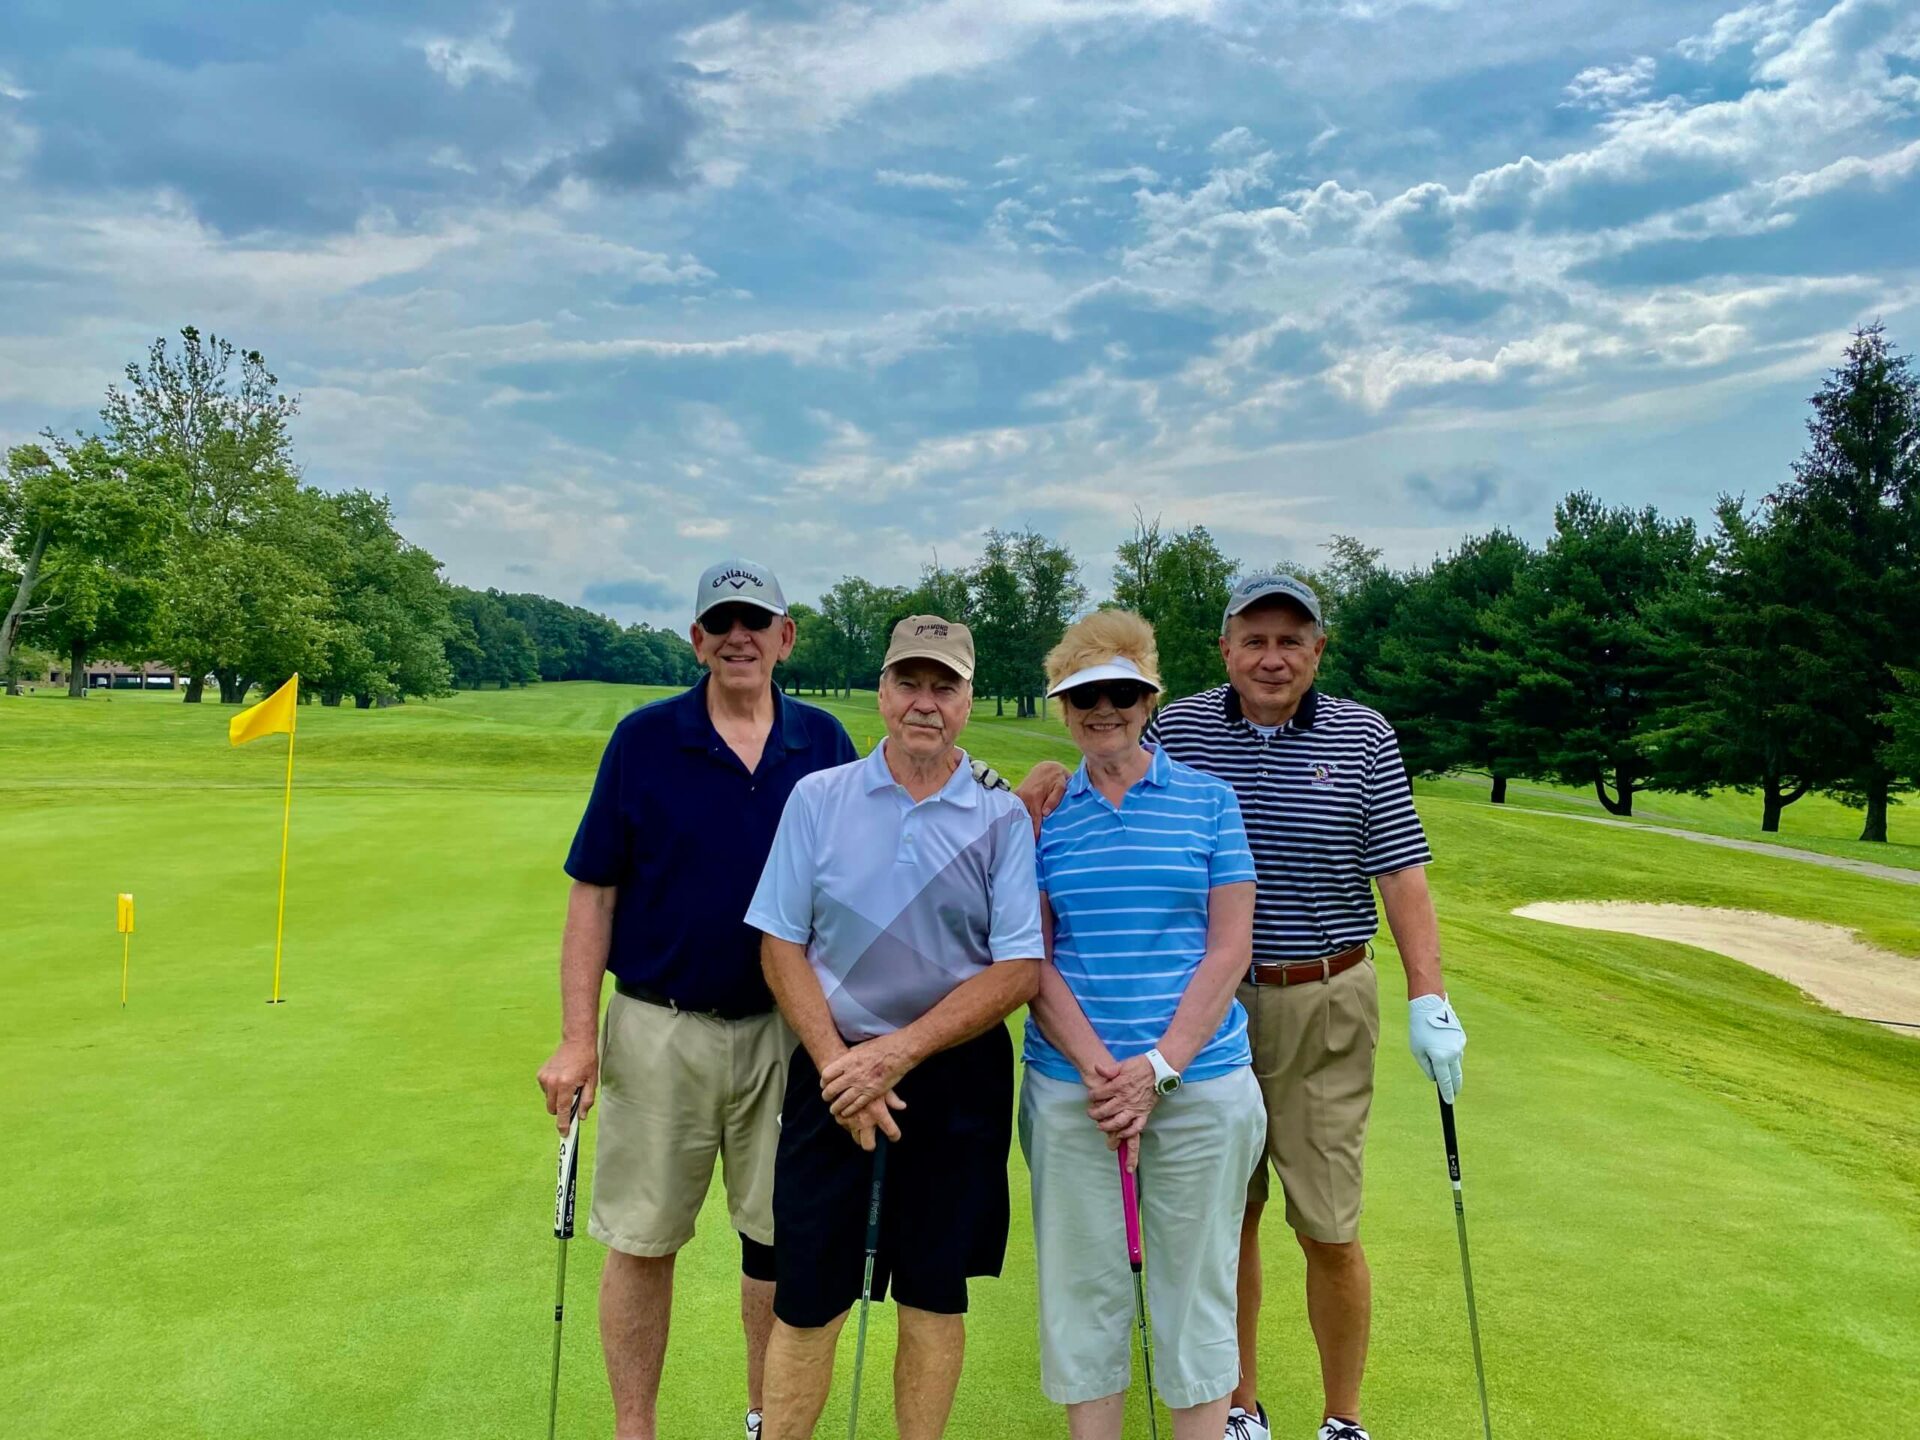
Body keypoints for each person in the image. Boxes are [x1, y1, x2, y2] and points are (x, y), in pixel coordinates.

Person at [1018, 575, 1466, 1440]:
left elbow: (1402, 873)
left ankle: (1341, 1417)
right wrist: (1045, 775)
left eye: (1290, 640)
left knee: (1327, 1223)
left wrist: (1430, 995)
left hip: (1317, 997)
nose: (1271, 656)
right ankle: (1240, 1411)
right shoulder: (1179, 723)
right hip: (1203, 1018)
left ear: (1317, 650)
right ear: (1224, 650)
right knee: (1230, 1222)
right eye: (1253, 639)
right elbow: (1093, 752)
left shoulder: (1361, 735)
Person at [534, 559, 856, 1440]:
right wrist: (575, 1038)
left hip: (789, 1037)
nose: (739, 637)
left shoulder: (824, 742)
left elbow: (875, 864)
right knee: (643, 1240)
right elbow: (593, 893)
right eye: (722, 623)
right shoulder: (645, 740)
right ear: (698, 640)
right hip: (658, 1025)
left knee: (777, 1243)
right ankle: (634, 1428)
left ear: (787, 638)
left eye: (757, 621)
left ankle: (765, 1419)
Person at [746, 615, 1043, 1440]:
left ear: (967, 700)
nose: (924, 703)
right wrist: (843, 1064)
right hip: (830, 1067)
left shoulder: (999, 815)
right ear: (881, 692)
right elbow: (779, 941)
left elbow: (1019, 966)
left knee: (933, 1291)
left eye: (943, 686)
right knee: (807, 1297)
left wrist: (896, 1055)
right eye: (909, 683)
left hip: (953, 1076)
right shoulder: (820, 798)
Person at [1019, 610, 1266, 1440]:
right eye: (1085, 696)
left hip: (1199, 1084)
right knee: (1082, 1288)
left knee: (1196, 1288)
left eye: (1123, 692)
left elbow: (1230, 946)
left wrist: (1158, 1067)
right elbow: (1034, 961)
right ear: (1064, 706)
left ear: (1149, 697)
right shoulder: (1046, 817)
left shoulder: (1208, 802)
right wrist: (1102, 1071)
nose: (1105, 710)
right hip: (1073, 1089)